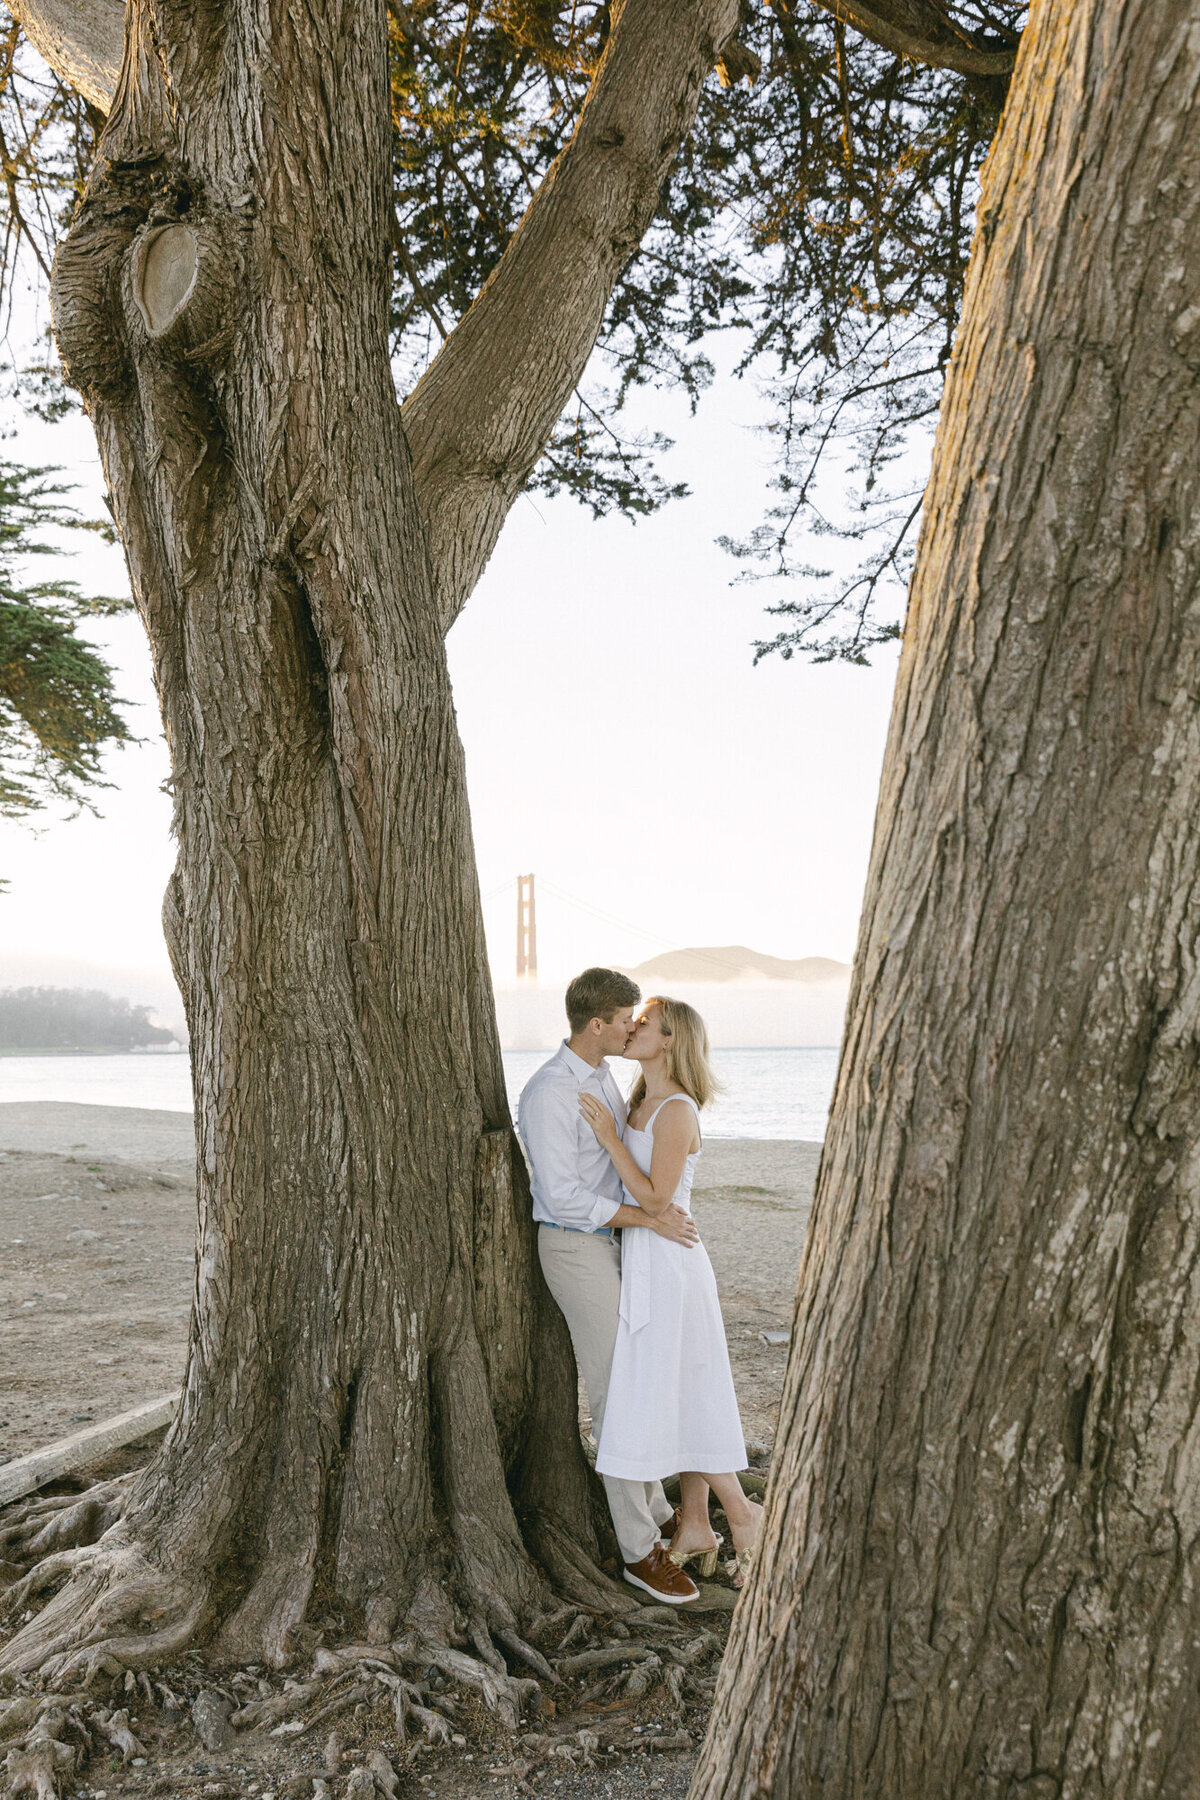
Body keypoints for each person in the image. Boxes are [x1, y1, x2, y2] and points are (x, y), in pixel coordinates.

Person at [518, 968, 704, 1603]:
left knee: (635, 1379)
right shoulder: (549, 1093)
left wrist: (647, 1215)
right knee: (614, 1391)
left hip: (613, 1246)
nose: (634, 1026)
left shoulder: (601, 1077)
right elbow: (562, 1195)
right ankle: (637, 1551)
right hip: (574, 1248)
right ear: (597, 1024)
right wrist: (648, 1215)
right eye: (627, 1018)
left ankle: (655, 1513)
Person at [578, 996, 762, 1588]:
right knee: (681, 1393)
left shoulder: (676, 1110)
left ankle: (743, 1520)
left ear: (671, 1039)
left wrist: (608, 1138)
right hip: (647, 1259)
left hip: (674, 1268)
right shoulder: (640, 1101)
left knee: (687, 1394)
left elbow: (658, 1200)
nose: (632, 1029)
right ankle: (696, 1527)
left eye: (645, 1024)